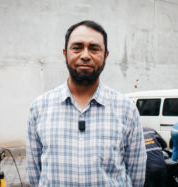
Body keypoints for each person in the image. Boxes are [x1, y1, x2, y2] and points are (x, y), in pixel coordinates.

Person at [26, 20, 147, 186]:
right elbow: (35, 175)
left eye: (94, 48)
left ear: (106, 55)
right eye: (77, 47)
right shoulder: (39, 108)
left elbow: (136, 176)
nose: (85, 55)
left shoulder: (126, 110)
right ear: (65, 53)